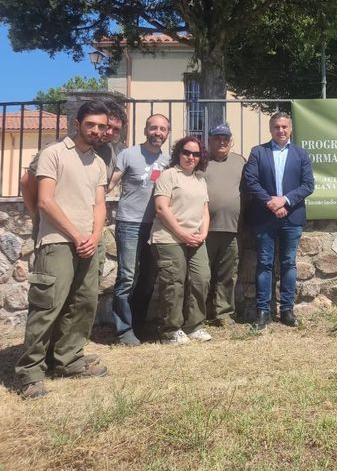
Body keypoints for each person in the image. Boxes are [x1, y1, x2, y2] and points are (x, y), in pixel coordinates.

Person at [15, 101, 110, 399]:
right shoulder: (53, 153)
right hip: (57, 241)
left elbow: (100, 204)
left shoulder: (98, 162)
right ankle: (31, 373)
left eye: (101, 126)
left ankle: (68, 360)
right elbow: (45, 200)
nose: (96, 130)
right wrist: (77, 235)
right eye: (90, 124)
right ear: (77, 123)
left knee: (82, 304)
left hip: (88, 243)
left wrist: (94, 236)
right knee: (47, 307)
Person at [243, 111, 314, 330]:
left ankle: (287, 310)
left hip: (292, 217)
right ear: (270, 129)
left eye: (284, 127)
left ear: (290, 128)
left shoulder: (301, 154)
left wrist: (284, 200)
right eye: (276, 127)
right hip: (264, 217)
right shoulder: (258, 152)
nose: (280, 130)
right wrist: (271, 202)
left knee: (288, 263)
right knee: (264, 263)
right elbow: (251, 181)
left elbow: (308, 185)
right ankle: (263, 311)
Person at [107, 113, 171, 345]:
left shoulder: (169, 159)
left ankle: (138, 324)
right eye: (153, 128)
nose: (158, 132)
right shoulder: (128, 154)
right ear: (145, 130)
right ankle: (123, 331)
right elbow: (110, 183)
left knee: (148, 277)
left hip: (156, 226)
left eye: (162, 129)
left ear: (167, 133)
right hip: (130, 223)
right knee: (127, 277)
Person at [20, 100, 127, 227]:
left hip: (88, 226)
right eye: (108, 126)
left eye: (116, 129)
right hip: (55, 226)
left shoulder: (110, 154)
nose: (110, 133)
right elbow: (26, 182)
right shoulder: (56, 150)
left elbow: (101, 191)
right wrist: (35, 215)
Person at [150, 136, 212, 344]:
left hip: (195, 238)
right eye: (186, 152)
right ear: (179, 153)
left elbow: (204, 210)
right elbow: (161, 208)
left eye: (196, 154)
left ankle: (194, 326)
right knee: (174, 282)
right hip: (169, 237)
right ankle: (170, 330)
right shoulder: (168, 175)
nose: (190, 157)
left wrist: (203, 233)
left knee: (201, 278)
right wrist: (182, 234)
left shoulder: (200, 180)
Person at [203, 123, 246, 325]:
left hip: (232, 227)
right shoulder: (200, 160)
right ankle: (199, 313)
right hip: (203, 229)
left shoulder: (240, 162)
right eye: (217, 138)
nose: (222, 142)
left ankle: (223, 313)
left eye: (225, 138)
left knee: (228, 274)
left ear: (231, 141)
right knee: (201, 274)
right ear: (209, 141)